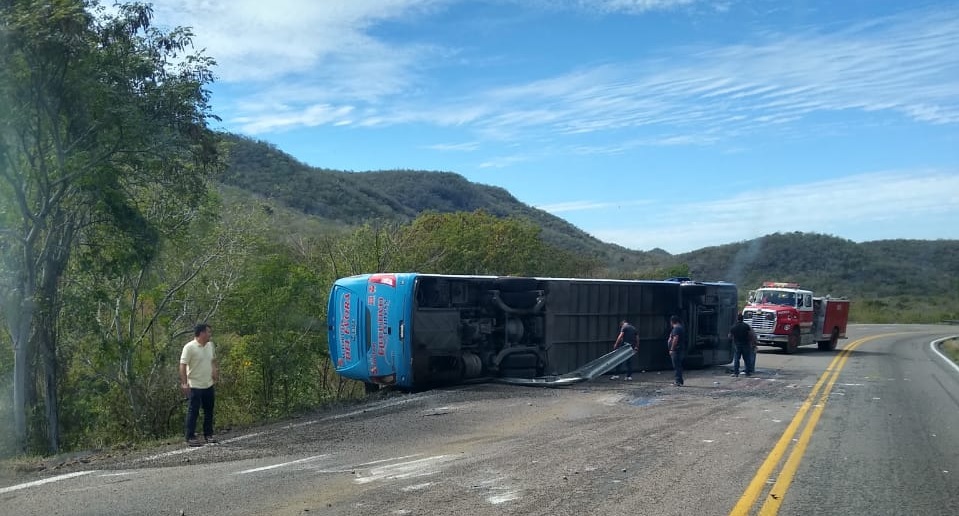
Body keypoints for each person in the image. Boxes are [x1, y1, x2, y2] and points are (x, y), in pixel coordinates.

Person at [180, 323, 218, 447]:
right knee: (193, 411)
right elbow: (183, 365)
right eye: (208, 332)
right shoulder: (189, 347)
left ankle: (208, 434)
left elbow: (212, 360)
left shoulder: (210, 345)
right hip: (195, 384)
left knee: (209, 410)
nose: (209, 335)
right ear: (201, 333)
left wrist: (214, 371)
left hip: (208, 383)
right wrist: (184, 383)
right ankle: (190, 436)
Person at [667, 315, 685, 386]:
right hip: (679, 349)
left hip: (676, 350)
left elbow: (675, 338)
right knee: (678, 365)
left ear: (672, 322)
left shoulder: (676, 328)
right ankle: (680, 380)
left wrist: (672, 349)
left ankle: (678, 381)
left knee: (676, 365)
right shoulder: (680, 328)